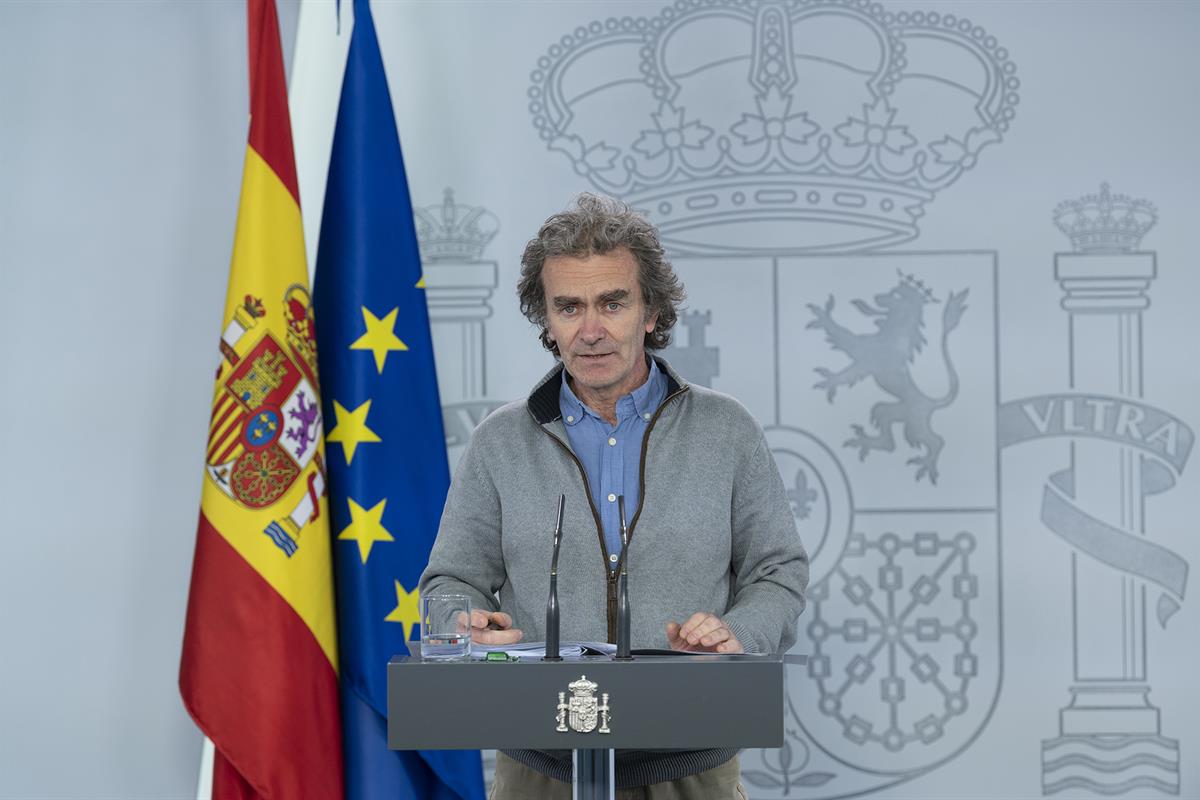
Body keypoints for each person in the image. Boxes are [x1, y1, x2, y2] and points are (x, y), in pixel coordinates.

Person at [419, 193, 809, 798]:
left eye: (613, 303)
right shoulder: (499, 441)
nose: (591, 330)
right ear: (547, 321)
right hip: (538, 763)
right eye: (569, 307)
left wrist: (739, 633)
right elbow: (450, 580)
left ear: (650, 312)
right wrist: (463, 622)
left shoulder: (726, 429)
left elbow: (777, 571)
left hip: (692, 759)